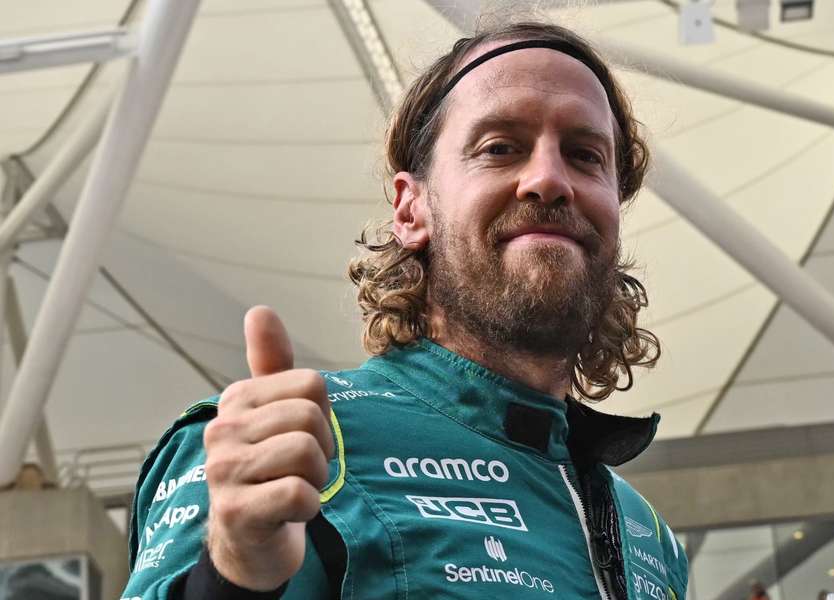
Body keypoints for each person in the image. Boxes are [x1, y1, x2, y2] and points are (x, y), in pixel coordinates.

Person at [120, 20, 689, 599]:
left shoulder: (650, 537)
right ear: (411, 209)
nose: (548, 178)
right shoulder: (280, 447)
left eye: (585, 155)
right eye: (499, 148)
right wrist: (232, 579)